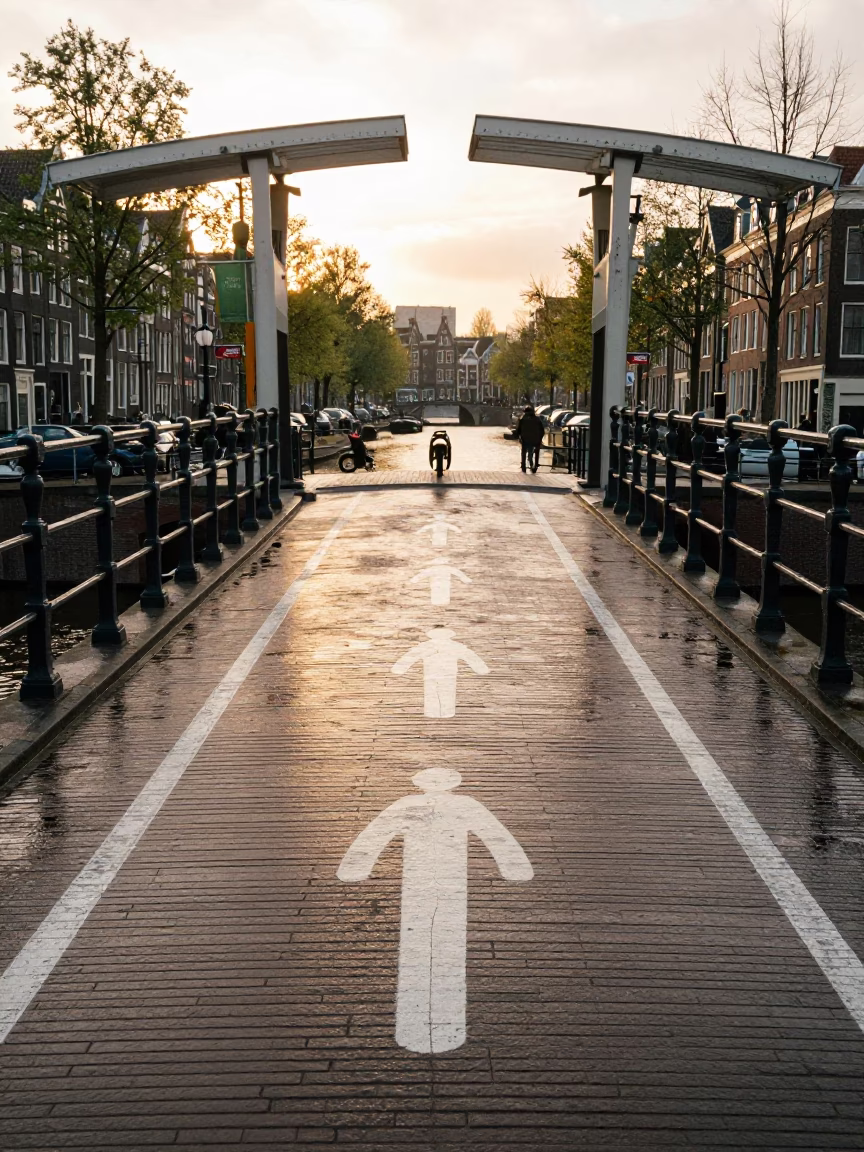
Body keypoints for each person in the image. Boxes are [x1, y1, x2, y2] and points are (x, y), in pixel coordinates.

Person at [514, 405, 544, 472]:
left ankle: (524, 466)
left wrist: (518, 436)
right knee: (535, 452)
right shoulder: (537, 419)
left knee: (524, 452)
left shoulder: (522, 419)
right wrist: (540, 439)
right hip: (536, 439)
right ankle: (535, 465)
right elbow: (542, 430)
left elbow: (518, 430)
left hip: (525, 439)